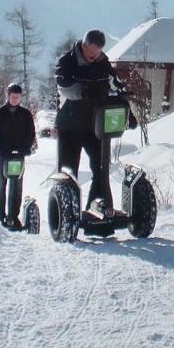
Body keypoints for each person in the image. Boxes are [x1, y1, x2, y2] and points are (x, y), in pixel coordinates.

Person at [54, 29, 131, 215]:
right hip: (70, 126)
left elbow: (114, 81)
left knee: (101, 168)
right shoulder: (67, 61)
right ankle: (66, 215)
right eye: (92, 51)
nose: (94, 55)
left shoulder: (102, 62)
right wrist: (83, 91)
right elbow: (63, 86)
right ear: (84, 45)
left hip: (95, 125)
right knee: (68, 172)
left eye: (98, 52)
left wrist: (123, 96)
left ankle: (97, 209)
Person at [0, 83, 37, 229]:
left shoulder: (25, 114)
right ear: (8, 96)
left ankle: (14, 216)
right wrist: (0, 148)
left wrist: (26, 148)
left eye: (18, 97)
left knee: (17, 185)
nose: (15, 99)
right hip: (3, 154)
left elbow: (31, 133)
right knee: (1, 184)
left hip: (18, 155)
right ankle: (1, 216)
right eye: (13, 97)